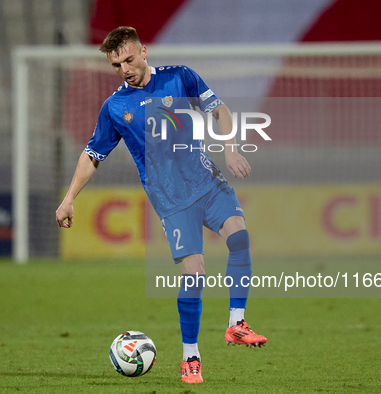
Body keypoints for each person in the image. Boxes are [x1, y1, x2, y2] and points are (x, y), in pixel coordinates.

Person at [55, 26, 267, 384]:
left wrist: (231, 147)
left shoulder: (180, 78)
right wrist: (68, 198)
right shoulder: (115, 107)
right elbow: (92, 156)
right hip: (172, 200)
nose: (124, 68)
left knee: (240, 238)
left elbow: (221, 110)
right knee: (195, 273)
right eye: (116, 64)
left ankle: (236, 323)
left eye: (128, 59)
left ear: (144, 52)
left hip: (208, 183)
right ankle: (190, 358)